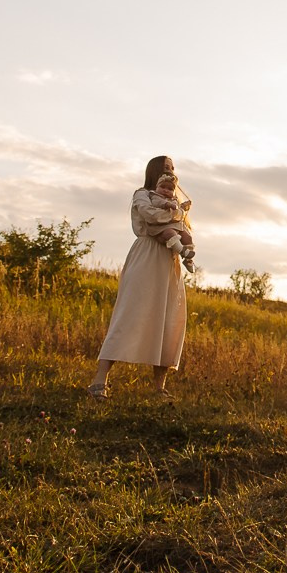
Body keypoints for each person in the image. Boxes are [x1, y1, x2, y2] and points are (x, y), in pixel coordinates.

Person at [88, 154, 190, 397]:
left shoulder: (174, 201)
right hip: (146, 255)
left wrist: (178, 216)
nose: (171, 172)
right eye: (166, 168)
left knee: (168, 318)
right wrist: (177, 214)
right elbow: (151, 217)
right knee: (130, 314)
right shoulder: (142, 194)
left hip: (169, 259)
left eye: (173, 168)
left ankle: (159, 387)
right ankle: (99, 380)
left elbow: (184, 231)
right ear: (154, 171)